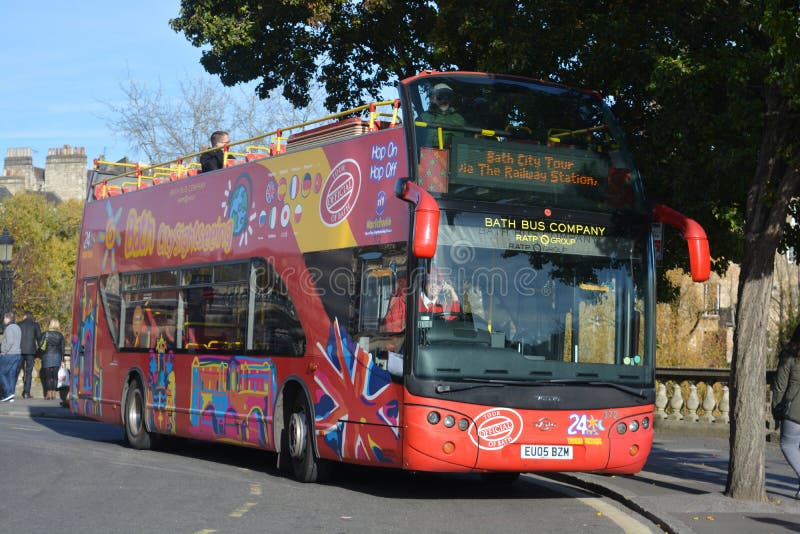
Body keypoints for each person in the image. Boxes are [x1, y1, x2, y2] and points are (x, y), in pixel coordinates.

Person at [773, 331, 800, 499]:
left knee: (788, 445)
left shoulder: (790, 356)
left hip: (795, 410)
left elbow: (780, 387)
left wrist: (776, 411)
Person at [418, 83, 466, 147]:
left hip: (455, 155)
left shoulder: (460, 119)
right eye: (440, 95)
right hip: (430, 154)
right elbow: (416, 143)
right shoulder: (423, 118)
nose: (444, 98)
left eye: (447, 95)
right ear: (432, 98)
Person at [38, 318, 65, 400]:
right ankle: (54, 394)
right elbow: (62, 349)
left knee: (48, 377)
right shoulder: (60, 335)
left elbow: (40, 345)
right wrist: (62, 360)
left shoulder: (45, 334)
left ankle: (48, 394)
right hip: (57, 356)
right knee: (55, 376)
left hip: (47, 356)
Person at [17, 310, 41, 399]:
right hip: (31, 351)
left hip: (20, 350)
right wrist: (40, 350)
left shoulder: (19, 324)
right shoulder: (35, 325)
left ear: (25, 316)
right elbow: (39, 338)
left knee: (16, 371)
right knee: (29, 372)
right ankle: (26, 392)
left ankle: (10, 391)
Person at [0, 312, 22, 402]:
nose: (3, 320)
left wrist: (3, 351)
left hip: (9, 354)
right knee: (11, 375)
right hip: (17, 354)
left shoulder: (9, 328)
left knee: (1, 373)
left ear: (8, 318)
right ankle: (11, 395)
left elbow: (9, 342)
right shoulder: (17, 327)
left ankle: (8, 393)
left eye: (4, 318)